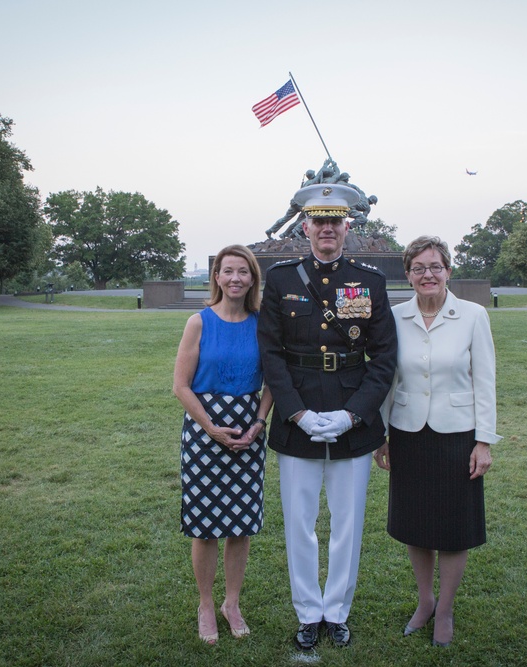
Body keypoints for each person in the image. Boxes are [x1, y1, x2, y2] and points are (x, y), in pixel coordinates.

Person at [257, 182, 397, 650]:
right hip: (297, 417)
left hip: (351, 418)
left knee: (347, 524)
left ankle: (336, 611)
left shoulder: (370, 281)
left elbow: (384, 358)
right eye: (319, 222)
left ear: (347, 227)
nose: (327, 230)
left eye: (335, 222)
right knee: (299, 524)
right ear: (305, 226)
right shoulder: (280, 280)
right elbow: (271, 355)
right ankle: (307, 611)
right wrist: (295, 413)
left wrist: (354, 416)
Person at [374, 235, 500, 648]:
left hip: (457, 436)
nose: (427, 274)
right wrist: (383, 435)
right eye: (418, 268)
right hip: (408, 434)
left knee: (453, 527)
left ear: (448, 270)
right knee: (415, 524)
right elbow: (387, 379)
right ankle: (424, 601)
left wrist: (484, 442)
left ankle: (445, 609)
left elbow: (485, 380)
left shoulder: (473, 315)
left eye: (435, 267)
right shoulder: (394, 317)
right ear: (407, 274)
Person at [173, 244, 274, 645]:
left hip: (249, 432)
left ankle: (232, 603)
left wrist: (258, 422)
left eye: (243, 272)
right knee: (205, 527)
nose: (235, 278)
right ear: (216, 276)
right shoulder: (198, 322)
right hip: (204, 433)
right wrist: (212, 428)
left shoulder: (263, 323)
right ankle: (205, 604)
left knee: (240, 526)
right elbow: (180, 386)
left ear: (252, 279)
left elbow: (272, 382)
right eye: (227, 271)